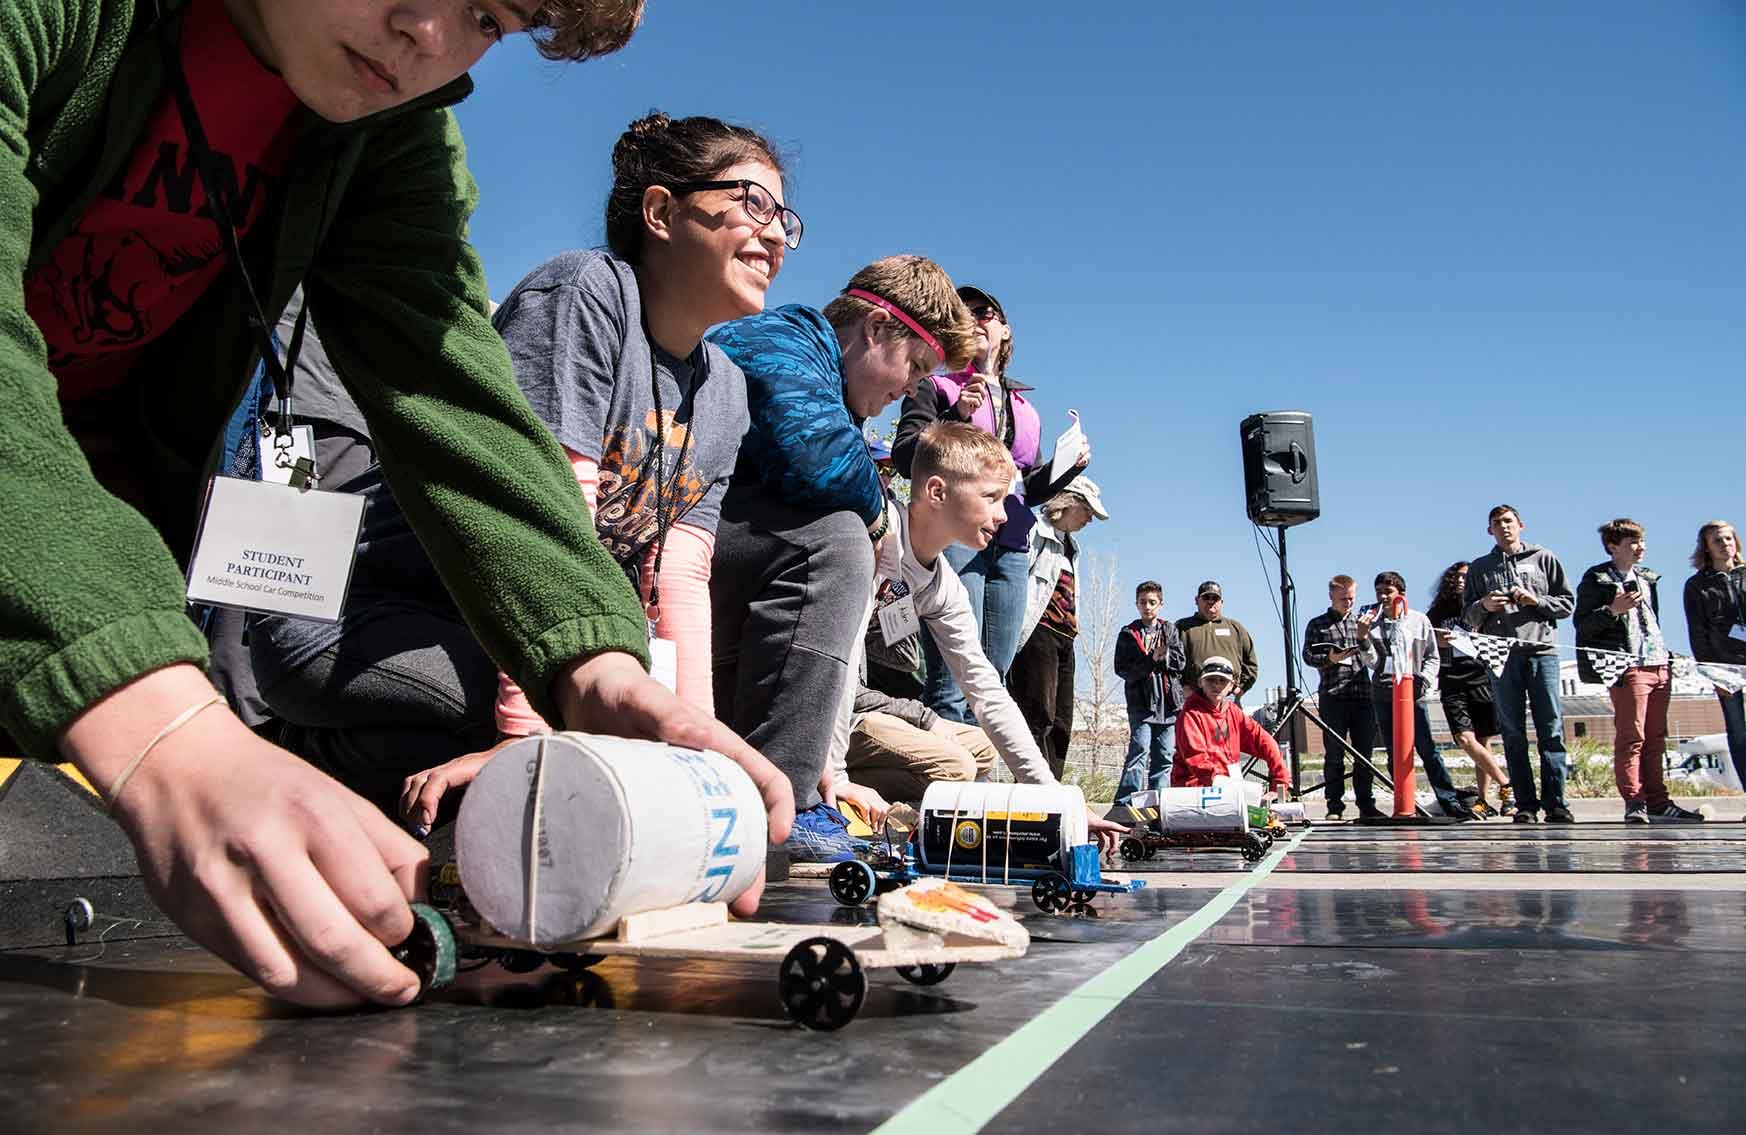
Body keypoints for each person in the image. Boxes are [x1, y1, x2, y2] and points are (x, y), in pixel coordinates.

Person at [3, 0, 796, 1014]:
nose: (427, 34)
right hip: (160, 487)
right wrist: (170, 733)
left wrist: (591, 661)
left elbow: (453, 394)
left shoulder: (392, 127)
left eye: (487, 20)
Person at [384, 112, 792, 827]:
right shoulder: (586, 294)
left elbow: (680, 579)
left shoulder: (725, 388)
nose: (778, 234)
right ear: (661, 211)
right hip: (441, 609)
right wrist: (528, 745)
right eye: (752, 203)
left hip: (551, 631)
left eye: (785, 216)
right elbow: (537, 522)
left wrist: (702, 759)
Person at [705, 257, 976, 862]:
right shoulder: (787, 337)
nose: (911, 389)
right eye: (917, 367)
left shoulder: (839, 399)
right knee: (840, 540)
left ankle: (790, 781)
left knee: (838, 534)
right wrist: (880, 512)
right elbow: (812, 454)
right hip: (670, 551)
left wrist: (823, 758)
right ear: (877, 328)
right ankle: (787, 806)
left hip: (713, 576)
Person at [828, 422, 1124, 848]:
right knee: (955, 767)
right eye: (991, 497)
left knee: (979, 749)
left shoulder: (940, 582)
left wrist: (1057, 800)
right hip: (822, 710)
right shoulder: (875, 545)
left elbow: (987, 690)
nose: (1004, 514)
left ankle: (867, 787)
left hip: (860, 714)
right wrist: (832, 776)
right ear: (936, 493)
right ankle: (830, 792)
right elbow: (837, 665)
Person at [891, 285, 1089, 724]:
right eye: (965, 313)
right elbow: (908, 456)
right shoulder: (935, 387)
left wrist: (1067, 466)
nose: (975, 317)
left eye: (985, 311)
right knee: (951, 678)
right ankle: (945, 785)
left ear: (1005, 330)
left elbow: (1027, 488)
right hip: (957, 539)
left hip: (1013, 547)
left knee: (993, 678)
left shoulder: (1027, 411)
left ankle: (979, 788)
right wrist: (955, 418)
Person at [1576, 520, 1703, 823]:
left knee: (1656, 737)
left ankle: (1658, 801)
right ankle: (1634, 802)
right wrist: (1612, 611)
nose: (1640, 547)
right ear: (1613, 546)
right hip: (1627, 666)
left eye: (1641, 541)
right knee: (1632, 736)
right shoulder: (1597, 579)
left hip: (1659, 664)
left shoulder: (1648, 578)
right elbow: (1583, 625)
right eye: (1632, 542)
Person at [1462, 505, 1576, 823]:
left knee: (1550, 729)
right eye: (1497, 523)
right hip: (1501, 657)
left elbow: (1566, 603)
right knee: (1512, 732)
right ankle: (1524, 804)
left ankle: (1557, 803)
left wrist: (1535, 600)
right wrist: (1483, 605)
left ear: (1521, 525)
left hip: (1542, 652)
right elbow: (1467, 616)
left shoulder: (1544, 558)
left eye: (1508, 521)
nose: (1504, 527)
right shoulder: (1480, 568)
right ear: (1490, 531)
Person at [1007, 476, 1108, 779]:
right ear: (1069, 502)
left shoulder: (1072, 547)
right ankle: (1032, 787)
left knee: (1062, 720)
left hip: (1067, 638)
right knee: (1038, 713)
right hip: (1038, 635)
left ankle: (1053, 785)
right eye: (1087, 511)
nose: (1090, 519)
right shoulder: (1035, 530)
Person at [1362, 572, 1473, 820]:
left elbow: (1432, 656)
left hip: (1414, 694)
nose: (1382, 597)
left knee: (1427, 749)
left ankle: (1449, 800)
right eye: (1378, 591)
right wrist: (1363, 638)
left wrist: (1423, 679)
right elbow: (1373, 662)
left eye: (1388, 591)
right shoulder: (1373, 623)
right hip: (1385, 693)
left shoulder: (1419, 620)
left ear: (1401, 593)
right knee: (1395, 751)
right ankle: (1404, 800)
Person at [1426, 562, 1515, 817]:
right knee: (1464, 738)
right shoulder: (1438, 611)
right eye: (1456, 576)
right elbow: (1427, 642)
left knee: (1484, 740)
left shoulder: (1481, 607)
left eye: (1466, 577)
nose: (1461, 581)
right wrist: (1439, 641)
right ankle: (1506, 784)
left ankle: (1483, 800)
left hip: (1481, 676)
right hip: (1452, 679)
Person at [1301, 575, 1381, 819]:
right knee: (1334, 753)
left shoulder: (1363, 622)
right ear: (1332, 596)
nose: (1348, 603)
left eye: (1352, 598)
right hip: (1333, 694)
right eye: (1343, 598)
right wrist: (1329, 659)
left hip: (1362, 694)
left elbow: (1377, 656)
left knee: (1364, 753)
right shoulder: (1318, 624)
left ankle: (1366, 804)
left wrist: (1363, 637)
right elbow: (1307, 656)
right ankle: (1334, 806)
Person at [1683, 520, 1746, 812]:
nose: (1724, 545)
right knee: (1739, 734)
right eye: (1717, 540)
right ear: (1706, 548)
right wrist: (1712, 672)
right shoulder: (1697, 586)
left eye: (1728, 538)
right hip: (1725, 669)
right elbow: (1698, 634)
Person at [1172, 657, 1290, 798]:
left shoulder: (1233, 712)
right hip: (1194, 792)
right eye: (1211, 680)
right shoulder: (1189, 715)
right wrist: (1232, 788)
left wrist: (1280, 784)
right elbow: (1197, 760)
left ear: (1231, 686)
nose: (1216, 685)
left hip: (1227, 789)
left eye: (1222, 681)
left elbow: (1265, 742)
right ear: (1200, 682)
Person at [1113, 581, 1186, 803]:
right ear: (1136, 604)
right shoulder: (1128, 633)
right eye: (1143, 602)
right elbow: (1122, 669)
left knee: (1164, 756)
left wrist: (1163, 657)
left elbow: (1180, 662)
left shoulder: (1170, 629)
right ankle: (1125, 802)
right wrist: (1149, 660)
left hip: (1168, 704)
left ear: (1160, 605)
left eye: (1152, 602)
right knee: (1139, 751)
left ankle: (1157, 803)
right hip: (1141, 705)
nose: (1148, 607)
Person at [1177, 581, 1260, 697]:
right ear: (1196, 600)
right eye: (1206, 597)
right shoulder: (1182, 627)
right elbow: (1171, 662)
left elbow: (1251, 663)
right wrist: (1182, 687)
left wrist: (1241, 687)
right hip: (1194, 696)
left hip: (1228, 696)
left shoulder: (1235, 627)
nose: (1211, 602)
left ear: (1221, 602)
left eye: (1215, 598)